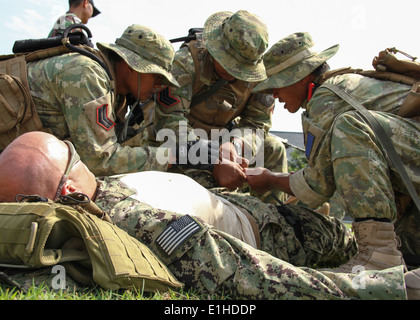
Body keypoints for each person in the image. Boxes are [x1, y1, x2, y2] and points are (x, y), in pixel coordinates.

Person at [0, 131, 419, 300]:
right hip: (274, 229)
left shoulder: (96, 195)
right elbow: (252, 277)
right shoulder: (137, 221)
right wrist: (390, 289)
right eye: (70, 153)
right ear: (68, 191)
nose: (78, 151)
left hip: (229, 198)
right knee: (349, 238)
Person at [246, 32, 420, 273]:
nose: (274, 94)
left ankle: (378, 255)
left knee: (351, 126)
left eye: (278, 84)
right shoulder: (348, 85)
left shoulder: (327, 97)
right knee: (410, 262)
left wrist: (269, 180)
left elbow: (318, 185)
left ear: (302, 76)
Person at [139, 10, 288, 203]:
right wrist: (214, 157)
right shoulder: (186, 62)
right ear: (214, 47)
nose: (233, 71)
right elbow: (170, 123)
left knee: (273, 148)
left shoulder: (260, 78)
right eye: (228, 63)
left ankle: (274, 219)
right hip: (178, 144)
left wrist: (235, 146)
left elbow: (257, 123)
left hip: (224, 141)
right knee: (209, 189)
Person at [26, 24, 180, 176]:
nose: (159, 85)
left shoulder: (116, 91)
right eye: (157, 76)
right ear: (132, 65)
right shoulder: (87, 74)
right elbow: (100, 161)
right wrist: (171, 156)